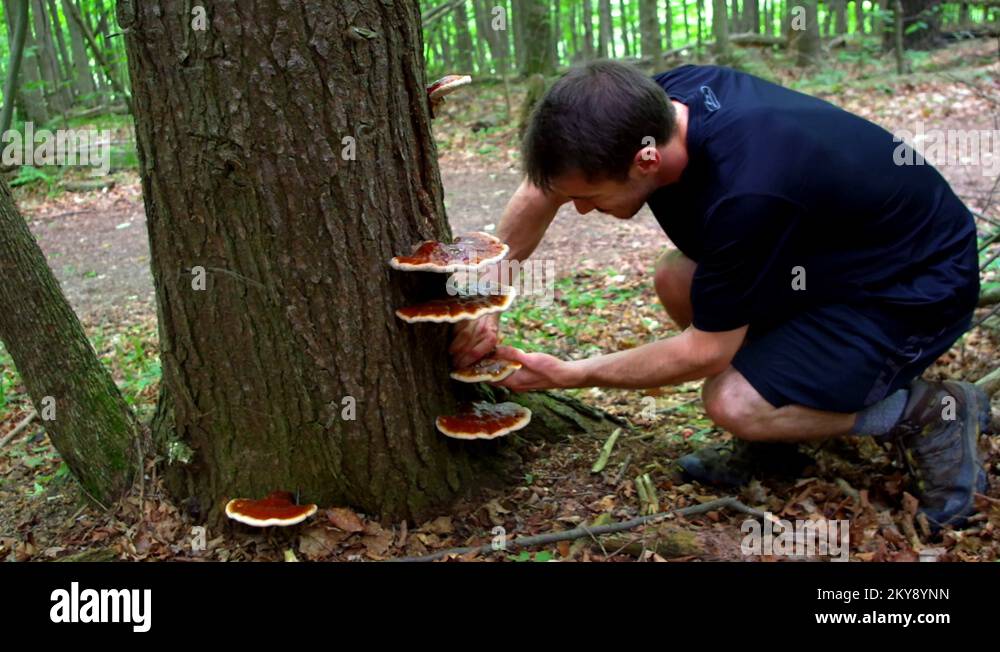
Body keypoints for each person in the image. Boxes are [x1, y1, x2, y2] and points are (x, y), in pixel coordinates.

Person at [449, 61, 991, 530]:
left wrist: (570, 373)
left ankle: (926, 411)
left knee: (732, 402)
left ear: (645, 163)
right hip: (833, 260)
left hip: (912, 289)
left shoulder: (748, 192)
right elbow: (545, 186)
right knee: (676, 277)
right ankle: (783, 434)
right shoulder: (657, 105)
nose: (582, 210)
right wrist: (483, 298)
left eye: (589, 198)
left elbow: (706, 351)